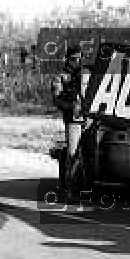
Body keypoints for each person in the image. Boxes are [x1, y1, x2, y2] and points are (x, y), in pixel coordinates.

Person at [51, 49, 84, 199]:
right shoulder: (61, 77)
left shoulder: (85, 74)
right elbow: (57, 100)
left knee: (89, 156)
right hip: (73, 120)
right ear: (67, 59)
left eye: (79, 58)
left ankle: (88, 188)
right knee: (73, 155)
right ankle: (72, 191)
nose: (77, 61)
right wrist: (72, 106)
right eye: (73, 59)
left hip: (89, 120)